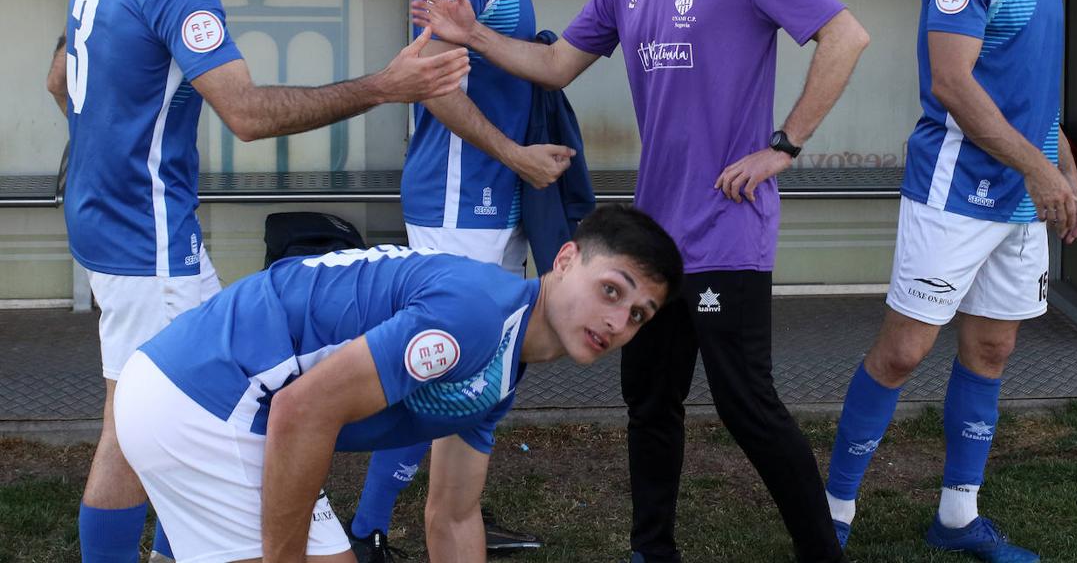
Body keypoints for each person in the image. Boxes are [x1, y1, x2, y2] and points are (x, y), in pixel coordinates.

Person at [413, 0, 870, 563]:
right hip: (652, 245)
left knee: (748, 408)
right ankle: (651, 550)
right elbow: (558, 65)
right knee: (649, 406)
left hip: (727, 229)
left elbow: (845, 35)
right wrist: (476, 37)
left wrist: (783, 146)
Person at [44, 0, 469, 563]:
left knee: (153, 418)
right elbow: (246, 114)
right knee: (168, 422)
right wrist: (385, 85)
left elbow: (60, 82)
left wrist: (107, 158)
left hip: (108, 232)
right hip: (152, 249)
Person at [823, 0, 1077, 563]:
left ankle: (955, 517)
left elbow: (1033, 87)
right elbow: (954, 85)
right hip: (956, 193)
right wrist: (1040, 171)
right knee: (904, 352)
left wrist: (1065, 171)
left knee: (991, 351)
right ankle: (832, 512)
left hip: (1022, 195)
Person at [112, 204, 682, 562]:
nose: (618, 321)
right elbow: (301, 411)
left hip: (205, 394)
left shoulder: (504, 362)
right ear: (564, 260)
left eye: (639, 314)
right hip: (206, 398)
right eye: (613, 289)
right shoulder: (477, 316)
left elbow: (454, 517)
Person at [344, 0, 572, 561]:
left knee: (479, 366)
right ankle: (372, 528)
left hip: (490, 196)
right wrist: (517, 155)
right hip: (457, 200)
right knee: (449, 367)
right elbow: (434, 87)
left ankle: (453, 509)